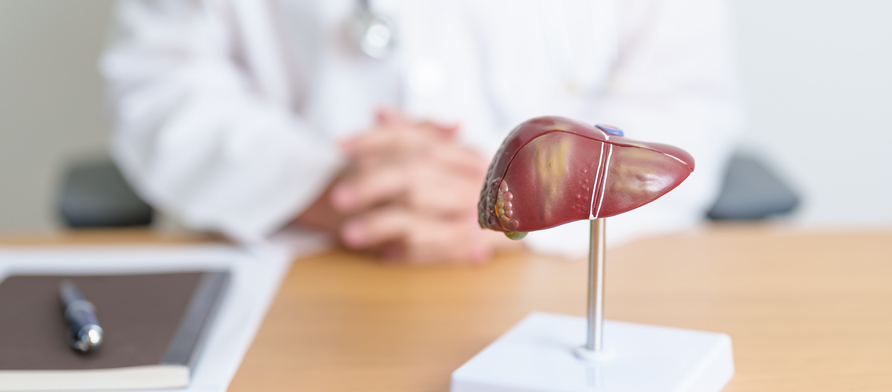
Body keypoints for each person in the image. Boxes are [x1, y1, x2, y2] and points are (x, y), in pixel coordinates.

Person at [101, 0, 742, 263]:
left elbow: (685, 99)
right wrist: (328, 188)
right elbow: (158, 84)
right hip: (295, 260)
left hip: (574, 267)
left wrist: (508, 194)